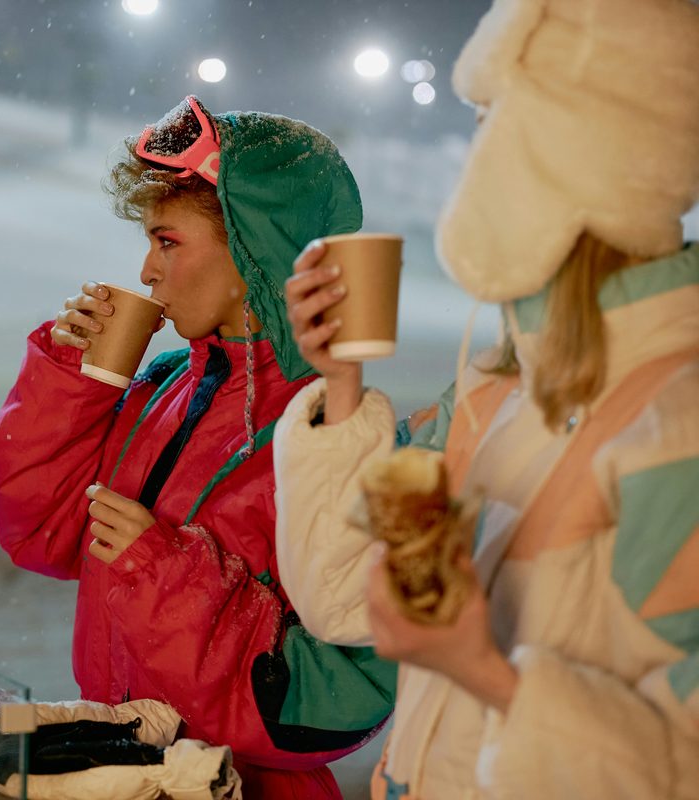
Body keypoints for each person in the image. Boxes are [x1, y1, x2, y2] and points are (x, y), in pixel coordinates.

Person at [275, 0, 699, 796]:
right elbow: (344, 600)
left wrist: (486, 672)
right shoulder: (496, 384)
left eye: (494, 123)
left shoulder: (676, 428)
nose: (476, 161)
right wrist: (339, 383)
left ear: (570, 146)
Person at [0, 96, 396, 797]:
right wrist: (68, 380)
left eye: (167, 242)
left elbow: (341, 702)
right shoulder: (167, 387)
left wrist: (165, 572)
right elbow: (41, 534)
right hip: (130, 779)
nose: (147, 271)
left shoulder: (335, 429)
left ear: (252, 251)